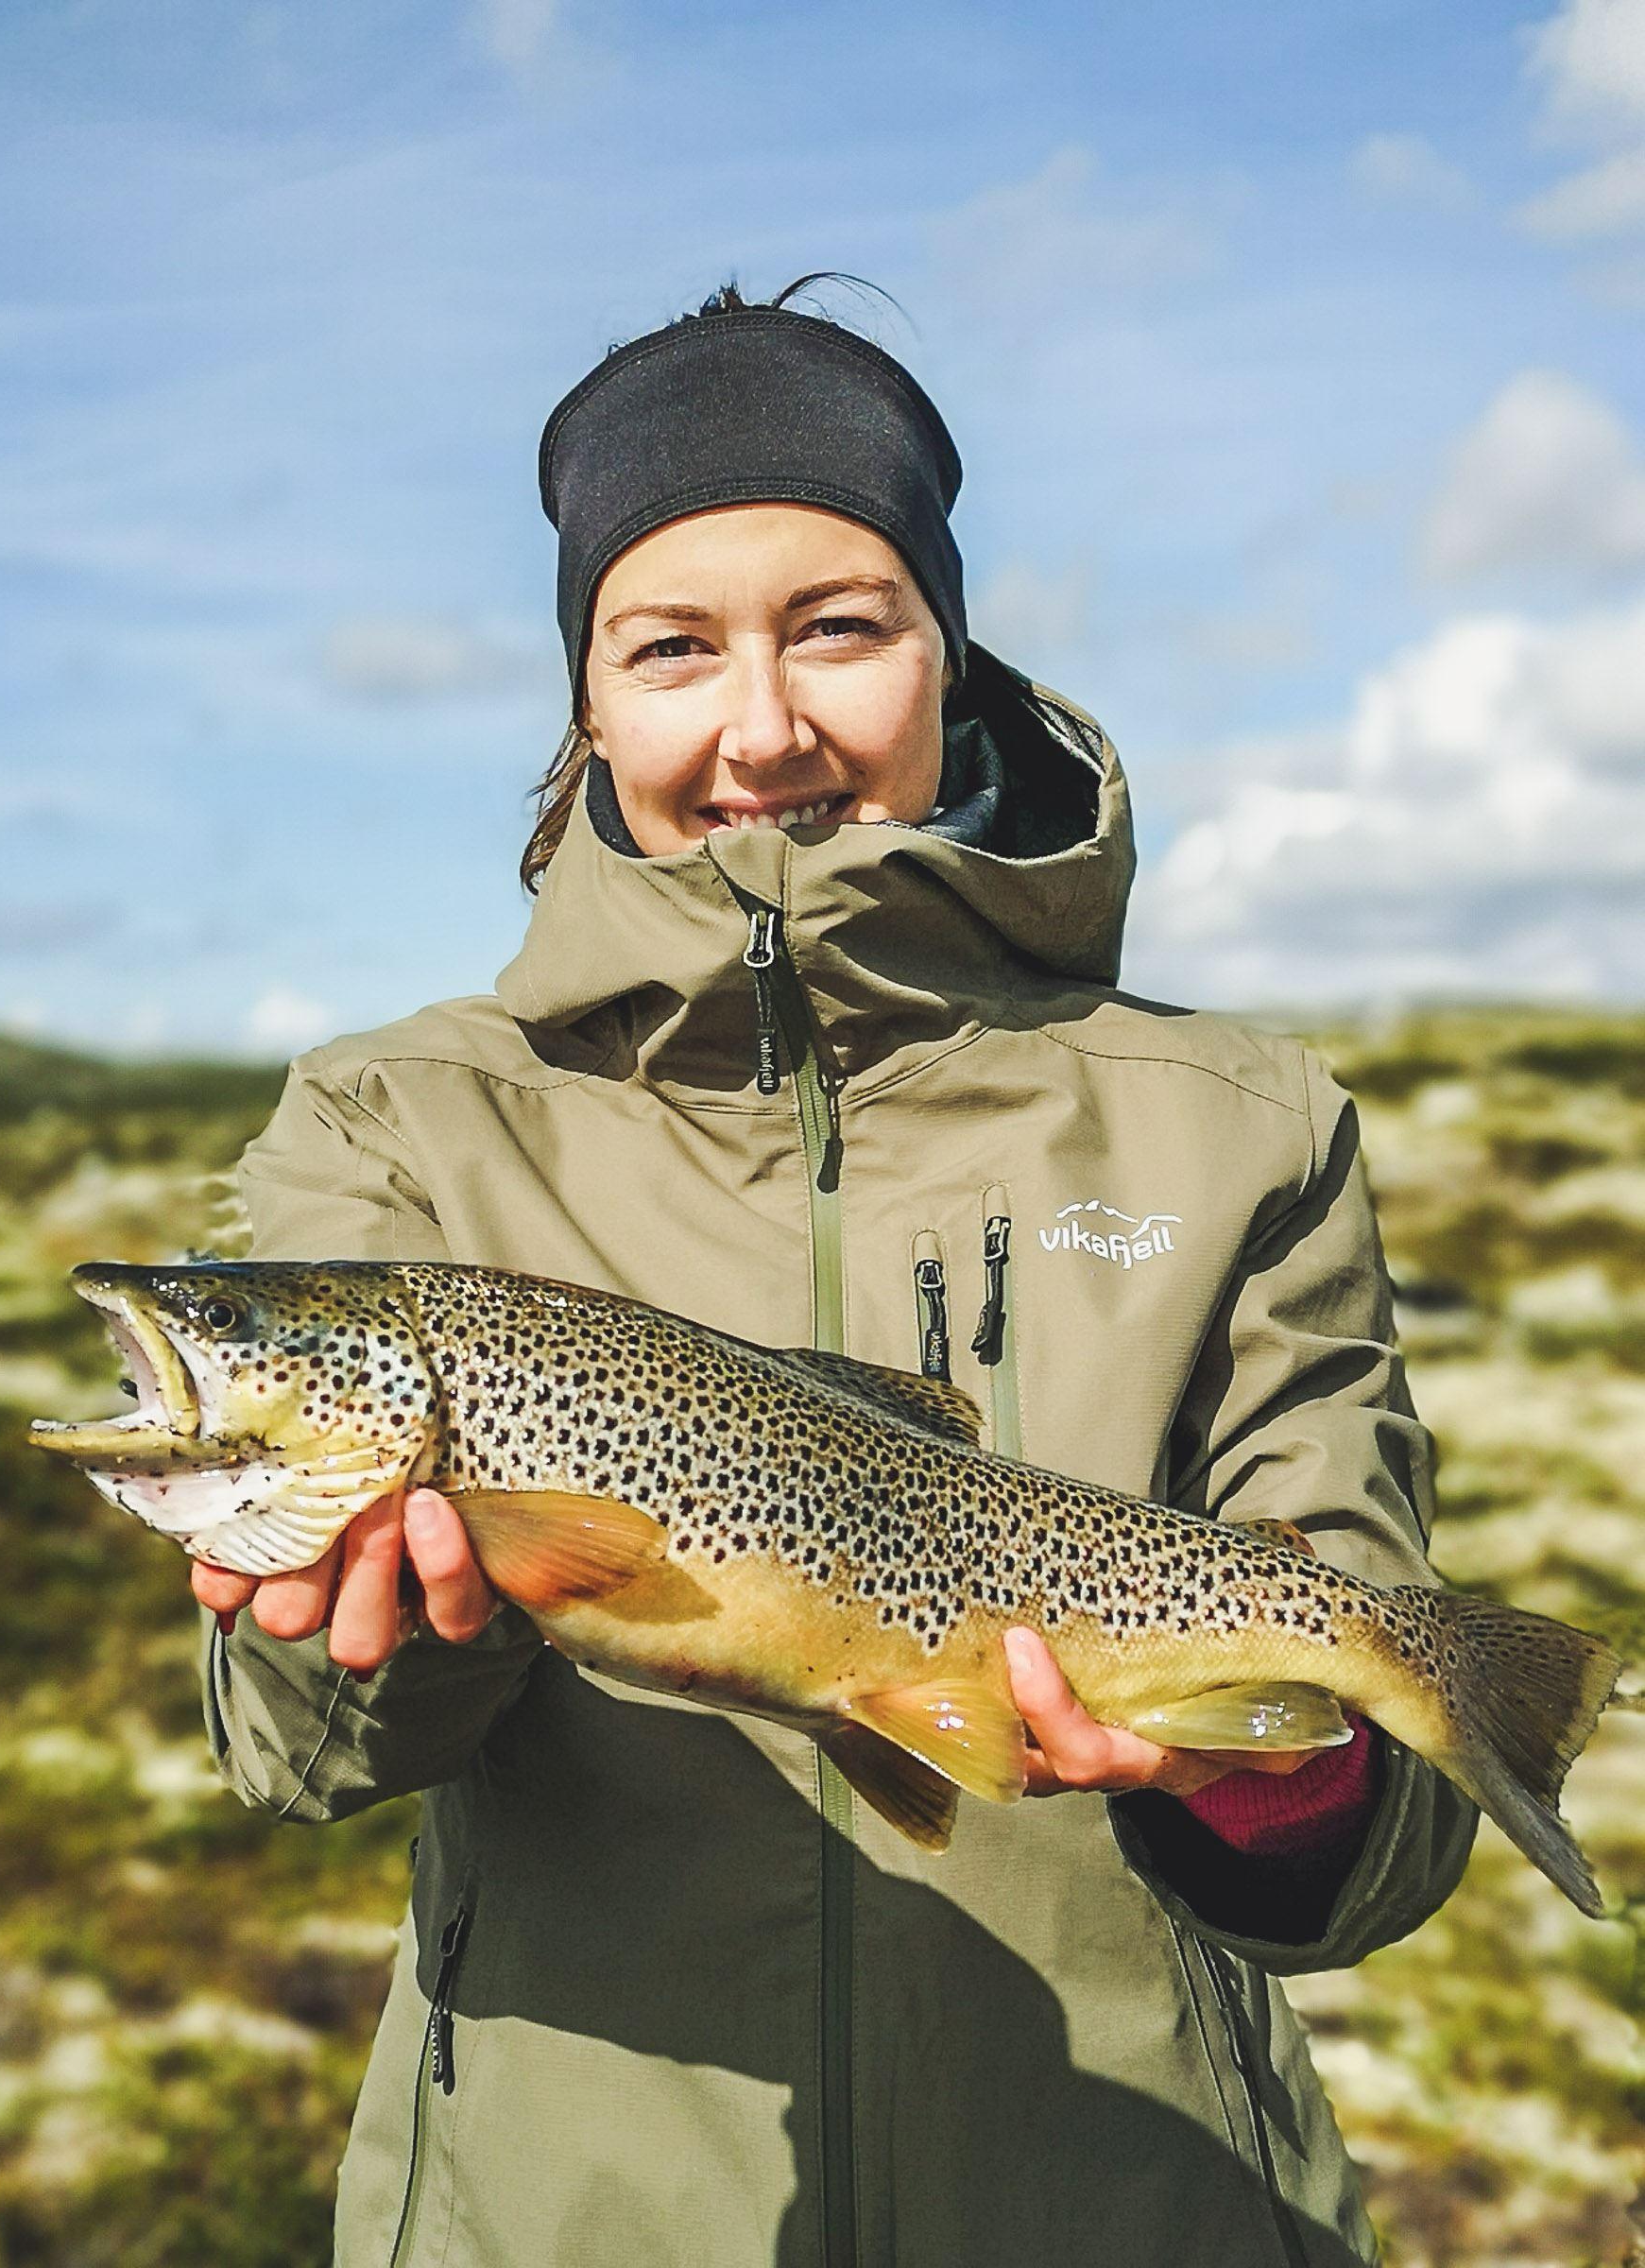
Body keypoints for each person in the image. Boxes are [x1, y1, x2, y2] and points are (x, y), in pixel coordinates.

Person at [195, 273, 1479, 2268]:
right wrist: (408, 1626)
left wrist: (1269, 1766)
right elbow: (284, 1750)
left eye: (839, 629)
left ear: (947, 660)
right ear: (589, 697)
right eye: (673, 647)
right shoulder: (394, 1127)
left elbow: (1381, 1832)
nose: (762, 726)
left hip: (1146, 2210)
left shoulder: (1239, 1123)